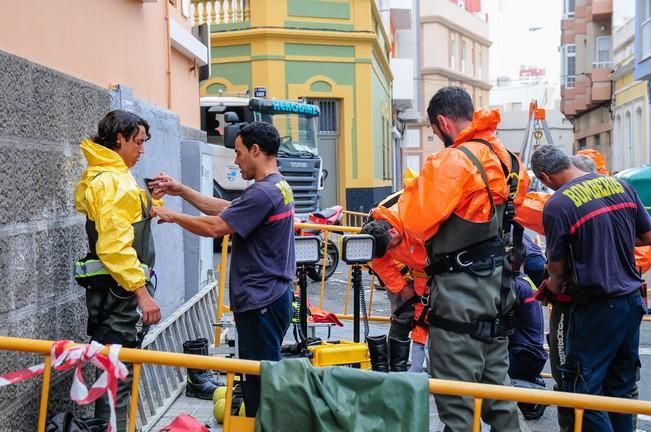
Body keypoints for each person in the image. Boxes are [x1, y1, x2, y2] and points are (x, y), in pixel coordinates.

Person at [398, 86, 529, 431]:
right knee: (499, 396)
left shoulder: (452, 162)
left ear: (442, 122)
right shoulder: (509, 161)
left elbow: (414, 222)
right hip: (499, 296)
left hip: (460, 300)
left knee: (457, 404)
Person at [149, 121, 294, 418]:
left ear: (256, 150)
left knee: (260, 385)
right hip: (272, 297)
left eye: (239, 153)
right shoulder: (276, 185)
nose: (236, 160)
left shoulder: (263, 193)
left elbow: (217, 226)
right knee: (260, 378)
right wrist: (181, 190)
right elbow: (225, 208)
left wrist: (173, 216)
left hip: (261, 302)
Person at [532, 144, 651, 432]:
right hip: (632, 301)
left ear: (545, 177)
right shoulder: (620, 185)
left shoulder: (558, 204)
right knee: (621, 390)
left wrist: (549, 285)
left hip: (597, 308)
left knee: (582, 391)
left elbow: (558, 274)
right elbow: (646, 235)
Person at [74, 110, 161, 431]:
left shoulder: (111, 175)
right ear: (119, 139)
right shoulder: (111, 181)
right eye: (137, 142)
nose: (142, 150)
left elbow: (123, 223)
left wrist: (150, 202)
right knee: (116, 377)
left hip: (115, 295)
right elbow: (113, 246)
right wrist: (141, 293)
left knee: (118, 373)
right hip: (119, 297)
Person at [360, 204, 429, 373]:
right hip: (406, 272)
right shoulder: (375, 237)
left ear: (393, 232)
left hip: (428, 271)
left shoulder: (415, 220)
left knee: (430, 317)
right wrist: (402, 288)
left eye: (391, 246)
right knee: (403, 316)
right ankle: (395, 367)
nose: (392, 249)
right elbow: (381, 264)